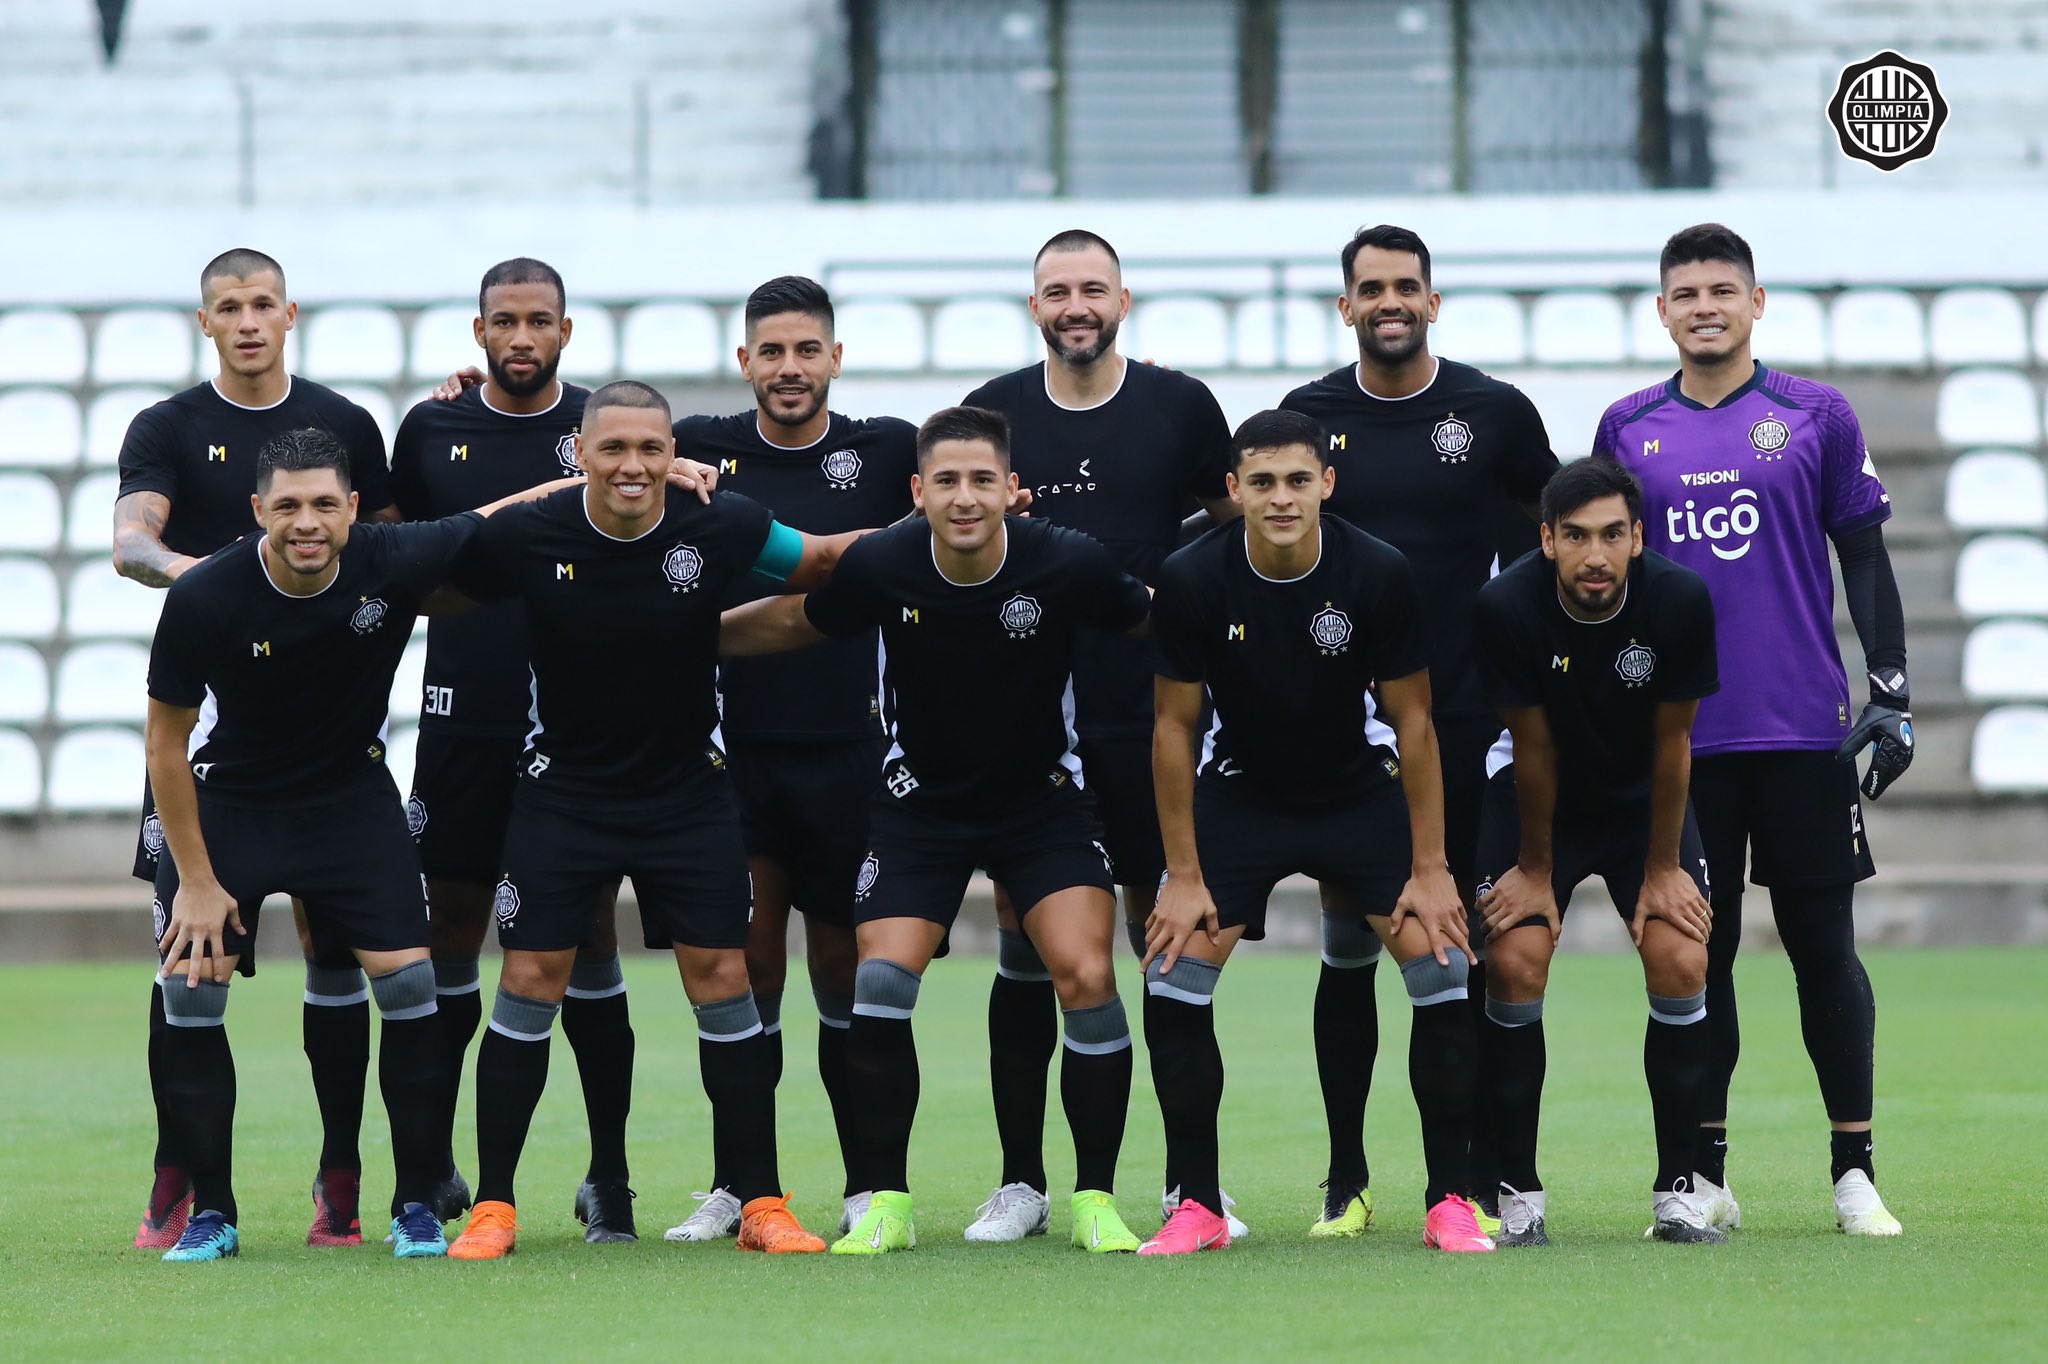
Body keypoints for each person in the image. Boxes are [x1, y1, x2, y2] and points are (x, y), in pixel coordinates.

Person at [439, 381, 862, 1261]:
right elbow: (426, 572)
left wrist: (953, 527)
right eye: (615, 449)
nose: (634, 466)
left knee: (723, 976)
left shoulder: (722, 522)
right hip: (563, 794)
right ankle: (495, 1207)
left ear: (675, 456)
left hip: (689, 795)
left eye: (651, 450)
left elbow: (820, 564)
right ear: (581, 454)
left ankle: (762, 1203)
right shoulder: (528, 533)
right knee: (528, 981)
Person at [720, 405, 1148, 1256]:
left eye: (982, 480)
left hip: (1042, 802)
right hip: (921, 807)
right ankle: (887, 1202)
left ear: (1011, 490)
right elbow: (798, 620)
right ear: (918, 492)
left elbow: (1158, 618)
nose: (963, 497)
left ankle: (1094, 1199)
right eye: (946, 481)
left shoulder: (1066, 561)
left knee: (1088, 972)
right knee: (880, 983)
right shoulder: (884, 563)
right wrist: (677, 639)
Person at [143, 427, 565, 1261]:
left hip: (349, 801)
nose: (308, 522)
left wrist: (618, 471)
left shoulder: (390, 557)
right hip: (233, 801)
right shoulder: (205, 596)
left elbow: (496, 515)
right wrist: (194, 879)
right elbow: (165, 745)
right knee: (191, 991)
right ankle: (215, 1214)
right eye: (290, 505)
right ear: (258, 509)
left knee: (411, 989)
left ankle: (412, 1204)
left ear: (354, 509)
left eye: (325, 504)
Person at [1595, 223, 1909, 1237]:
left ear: (1754, 301)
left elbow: (1861, 554)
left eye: (1719, 289)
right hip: (1679, 739)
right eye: (1682, 291)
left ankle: (1851, 1170)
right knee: (1701, 950)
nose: (1701, 305)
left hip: (1797, 729)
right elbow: (1600, 580)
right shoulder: (1626, 425)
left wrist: (1889, 691)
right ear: (1661, 310)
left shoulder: (1812, 414)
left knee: (1821, 946)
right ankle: (1703, 1173)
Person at [1141, 408, 1493, 1256]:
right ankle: (1197, 1205)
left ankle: (1448, 1199)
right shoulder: (1193, 578)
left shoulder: (1378, 571)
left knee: (1444, 966)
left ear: (1327, 485)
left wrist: (1432, 865)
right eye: (1261, 482)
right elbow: (1174, 730)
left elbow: (1414, 724)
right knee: (1171, 979)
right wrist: (1182, 875)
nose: (1281, 497)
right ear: (1234, 491)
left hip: (1355, 792)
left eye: (1299, 480)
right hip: (1242, 794)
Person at [959, 228, 1242, 1243]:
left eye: (1090, 288)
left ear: (1123, 297)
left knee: (1158, 930)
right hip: (1027, 714)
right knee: (1026, 939)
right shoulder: (994, 413)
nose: (1074, 304)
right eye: (1054, 291)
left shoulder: (1179, 405)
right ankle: (1021, 1181)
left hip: (1150, 709)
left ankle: (1186, 1184)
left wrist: (1179, 600)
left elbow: (1231, 516)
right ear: (1031, 304)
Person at [113, 247, 397, 1251]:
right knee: (187, 956)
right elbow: (131, 544)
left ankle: (342, 1174)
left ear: (290, 313)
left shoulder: (346, 426)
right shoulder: (169, 428)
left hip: (324, 738)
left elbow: (393, 555)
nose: (246, 320)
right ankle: (178, 1175)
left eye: (262, 303)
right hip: (208, 730)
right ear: (205, 321)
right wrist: (227, 579)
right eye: (228, 306)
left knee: (338, 952)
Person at [1280, 223, 1559, 1231]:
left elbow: (1556, 537)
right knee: (1349, 945)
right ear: (1344, 304)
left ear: (1431, 301)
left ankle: (1481, 1176)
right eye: (1370, 287)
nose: (1388, 300)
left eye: (1406, 285)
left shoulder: (1492, 413)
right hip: (1347, 728)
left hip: (1469, 721)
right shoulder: (1307, 418)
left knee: (1465, 948)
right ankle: (1344, 1177)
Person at [388, 257, 641, 1241]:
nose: (522, 336)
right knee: (446, 928)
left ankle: (607, 1174)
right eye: (506, 321)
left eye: (540, 321)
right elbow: (398, 555)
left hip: (575, 725)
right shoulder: (430, 428)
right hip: (459, 716)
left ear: (566, 331)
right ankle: (437, 1168)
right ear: (479, 330)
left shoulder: (602, 429)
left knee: (583, 936)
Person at [662, 276, 918, 1244]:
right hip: (731, 756)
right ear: (745, 362)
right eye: (770, 351)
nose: (788, 368)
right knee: (742, 967)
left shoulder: (887, 448)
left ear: (834, 357)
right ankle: (741, 1184)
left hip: (851, 751)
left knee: (844, 972)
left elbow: (991, 459)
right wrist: (459, 397)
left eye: (806, 349)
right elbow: (591, 462)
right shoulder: (699, 448)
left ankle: (866, 1184)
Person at [1471, 458, 1723, 1246]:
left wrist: (1661, 868)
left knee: (1681, 957)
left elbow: (1675, 740)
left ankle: (1679, 1195)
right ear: (1545, 540)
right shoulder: (1506, 604)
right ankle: (1517, 1194)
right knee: (1514, 961)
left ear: (1638, 537)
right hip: (1531, 796)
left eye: (1613, 535)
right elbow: (1533, 748)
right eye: (1575, 536)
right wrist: (1537, 872)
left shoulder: (1678, 598)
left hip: (1642, 803)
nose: (1595, 556)